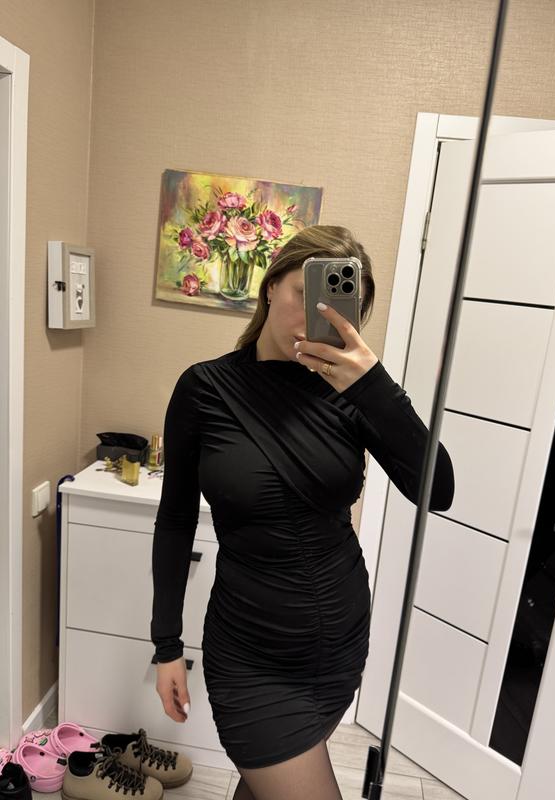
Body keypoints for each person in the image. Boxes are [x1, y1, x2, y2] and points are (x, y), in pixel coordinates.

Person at [150, 224, 455, 800]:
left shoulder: (356, 394)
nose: (316, 315)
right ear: (270, 287)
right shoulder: (205, 389)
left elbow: (437, 490)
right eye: (303, 294)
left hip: (338, 643)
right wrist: (167, 643)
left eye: (339, 304)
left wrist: (374, 386)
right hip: (250, 651)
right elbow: (175, 520)